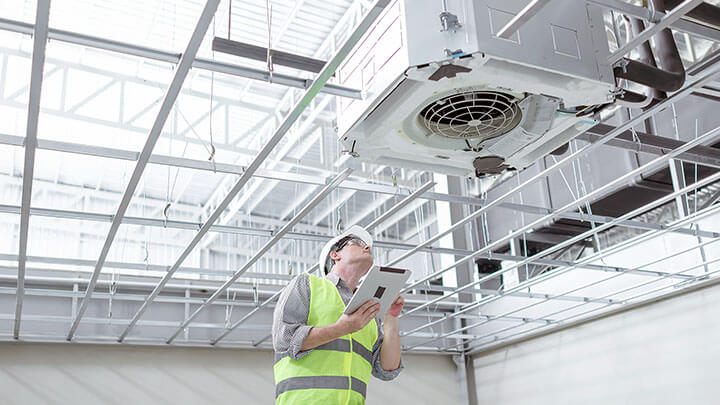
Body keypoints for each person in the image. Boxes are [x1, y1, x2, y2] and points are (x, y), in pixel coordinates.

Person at [272, 225, 405, 404]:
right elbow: (285, 339)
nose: (367, 247)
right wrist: (343, 328)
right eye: (357, 243)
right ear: (335, 255)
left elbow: (387, 369)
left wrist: (391, 318)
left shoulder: (368, 309)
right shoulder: (307, 284)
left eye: (368, 246)